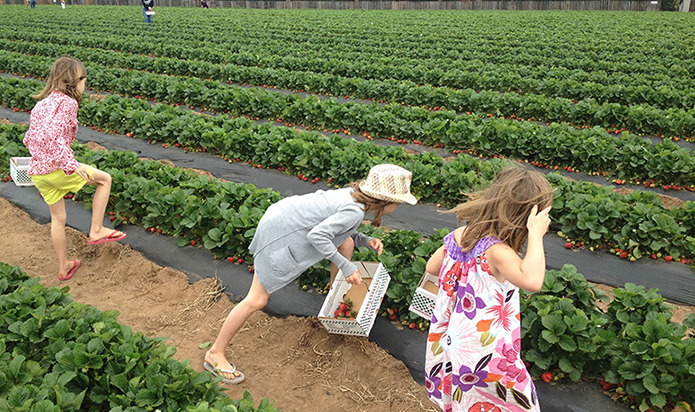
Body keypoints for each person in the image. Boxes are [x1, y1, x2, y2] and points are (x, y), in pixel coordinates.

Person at [203, 164, 418, 384]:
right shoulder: (354, 211)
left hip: (281, 217)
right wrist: (346, 266)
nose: (398, 207)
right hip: (280, 234)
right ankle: (215, 353)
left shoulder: (352, 197)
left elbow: (341, 229)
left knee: (347, 243)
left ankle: (334, 300)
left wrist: (366, 240)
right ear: (387, 201)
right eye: (399, 202)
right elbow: (318, 236)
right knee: (257, 299)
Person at [423, 167, 553, 412]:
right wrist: (536, 235)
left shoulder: (460, 234)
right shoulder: (497, 251)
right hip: (484, 349)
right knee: (513, 401)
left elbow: (431, 266)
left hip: (452, 342)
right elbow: (533, 281)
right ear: (525, 217)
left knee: (465, 399)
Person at [23, 57, 126, 282]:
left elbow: (31, 137)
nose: (85, 84)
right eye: (83, 79)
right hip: (56, 169)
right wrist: (71, 164)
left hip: (38, 171)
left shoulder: (44, 102)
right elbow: (53, 135)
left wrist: (44, 158)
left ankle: (64, 267)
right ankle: (97, 229)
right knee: (104, 180)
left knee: (58, 218)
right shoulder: (68, 103)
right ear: (74, 81)